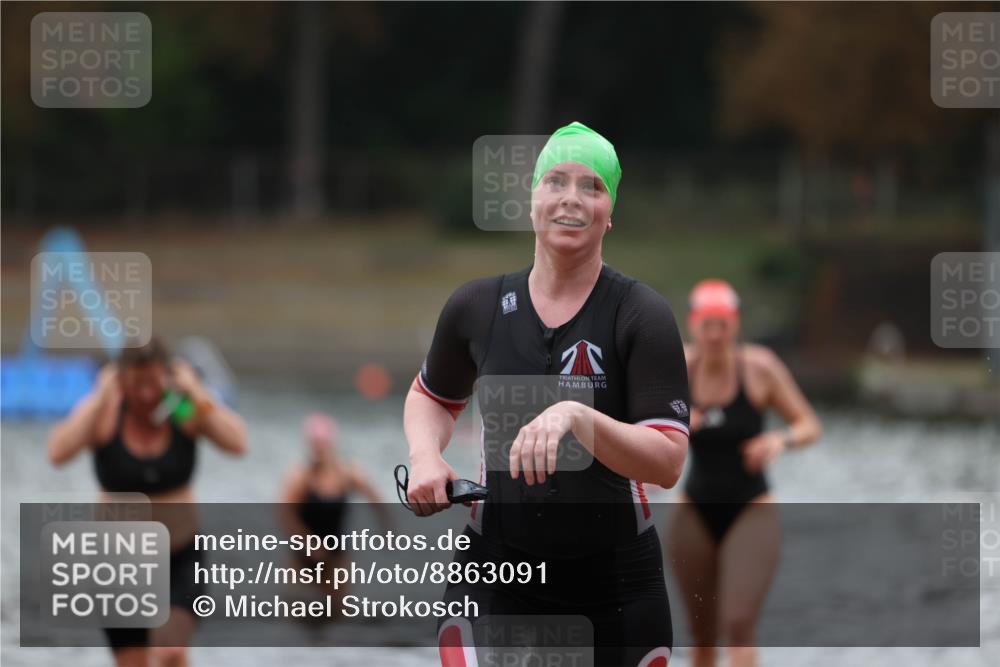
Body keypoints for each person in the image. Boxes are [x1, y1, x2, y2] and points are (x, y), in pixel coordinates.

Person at [403, 122, 690, 667]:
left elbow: (668, 461)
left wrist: (578, 417)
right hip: (495, 572)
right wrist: (424, 457)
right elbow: (432, 397)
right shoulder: (476, 307)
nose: (571, 200)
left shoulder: (640, 315)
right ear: (530, 199)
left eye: (592, 186)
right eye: (555, 181)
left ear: (611, 212)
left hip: (616, 586)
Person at [48, 337, 247, 667]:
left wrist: (196, 391)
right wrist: (99, 396)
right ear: (121, 378)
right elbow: (57, 452)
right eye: (136, 384)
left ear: (167, 377)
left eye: (153, 383)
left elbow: (237, 442)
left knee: (171, 652)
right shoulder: (106, 412)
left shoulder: (180, 409)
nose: (145, 394)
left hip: (179, 558)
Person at [667, 279, 822, 667]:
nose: (716, 335)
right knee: (700, 637)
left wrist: (779, 441)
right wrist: (681, 423)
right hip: (694, 509)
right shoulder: (677, 368)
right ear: (693, 325)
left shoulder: (759, 368)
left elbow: (809, 424)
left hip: (752, 507)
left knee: (737, 625)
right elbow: (639, 423)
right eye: (708, 325)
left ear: (735, 325)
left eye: (723, 324)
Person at [278, 412, 387, 603]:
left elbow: (377, 501)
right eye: (315, 444)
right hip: (302, 556)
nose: (318, 449)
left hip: (336, 554)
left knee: (338, 609)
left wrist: (387, 532)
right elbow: (284, 514)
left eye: (322, 444)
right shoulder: (301, 477)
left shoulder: (347, 473)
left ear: (331, 444)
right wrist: (308, 542)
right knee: (297, 608)